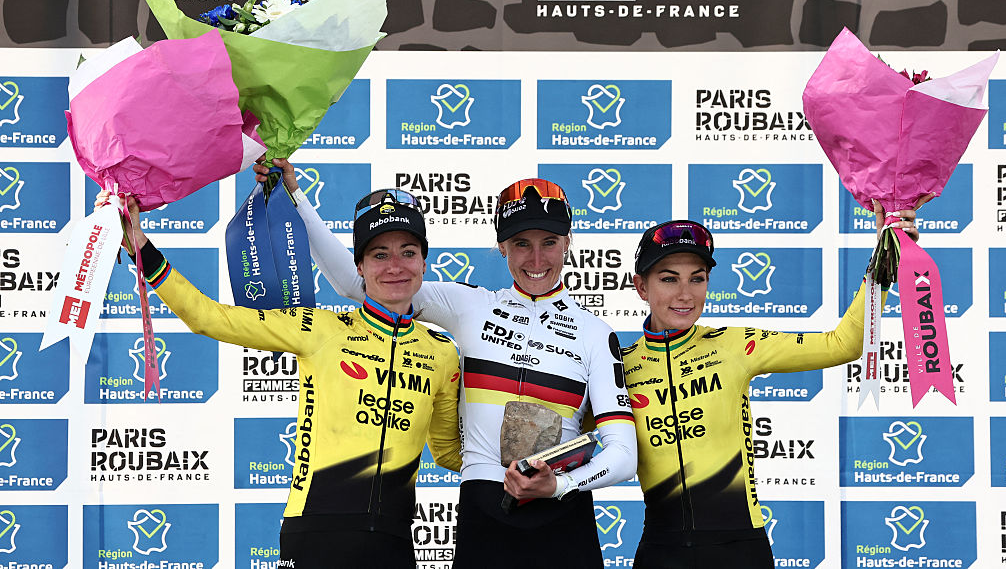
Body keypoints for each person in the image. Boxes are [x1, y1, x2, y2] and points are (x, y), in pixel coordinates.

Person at [255, 160, 637, 568]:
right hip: (484, 513)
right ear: (502, 246)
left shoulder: (595, 333)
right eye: (521, 243)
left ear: (568, 242)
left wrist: (559, 484)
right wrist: (295, 198)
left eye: (549, 242)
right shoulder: (470, 305)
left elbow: (623, 454)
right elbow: (359, 283)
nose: (537, 258)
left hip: (563, 516)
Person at [97, 187, 460, 569]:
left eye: (408, 252)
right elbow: (207, 317)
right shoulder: (319, 329)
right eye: (379, 254)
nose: (395, 266)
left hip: (394, 542)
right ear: (359, 266)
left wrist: (505, 467)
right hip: (316, 533)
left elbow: (448, 452)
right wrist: (140, 245)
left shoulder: (442, 353)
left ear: (424, 262)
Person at [623, 199, 928, 568]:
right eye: (669, 278)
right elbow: (577, 443)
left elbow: (844, 344)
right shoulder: (620, 367)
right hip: (661, 551)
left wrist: (884, 260)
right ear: (641, 286)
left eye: (697, 278)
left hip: (739, 549)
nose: (685, 294)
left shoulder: (734, 345)